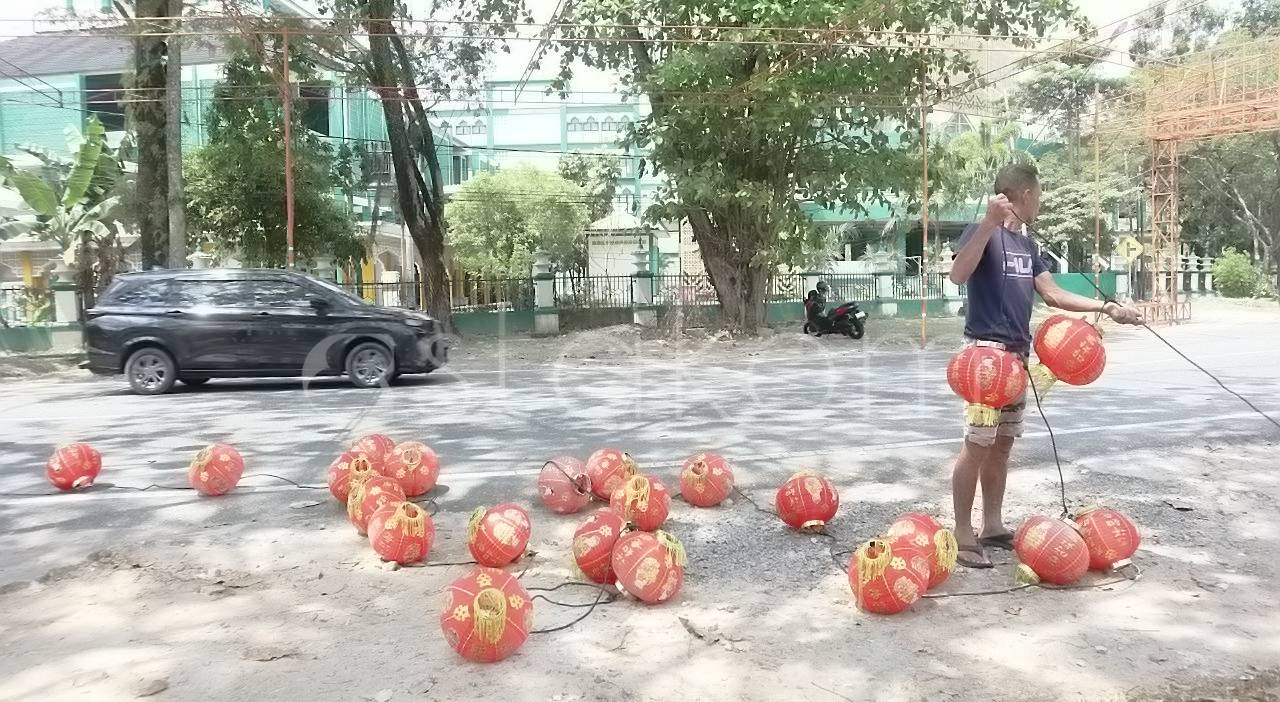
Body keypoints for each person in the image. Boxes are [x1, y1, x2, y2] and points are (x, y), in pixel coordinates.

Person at [946, 162, 1143, 568]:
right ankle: (962, 532)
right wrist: (988, 223)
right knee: (977, 444)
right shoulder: (982, 232)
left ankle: (992, 525)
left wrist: (1106, 307)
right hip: (985, 357)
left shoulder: (1028, 247)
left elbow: (1053, 294)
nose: (1040, 203)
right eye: (1038, 196)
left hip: (1017, 356)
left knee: (1003, 444)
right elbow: (957, 275)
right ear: (1025, 195)